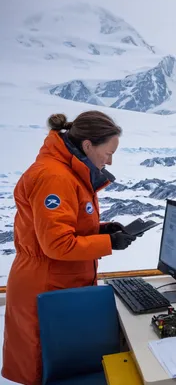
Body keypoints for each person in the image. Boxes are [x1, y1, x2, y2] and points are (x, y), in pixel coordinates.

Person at [2, 110, 137, 385]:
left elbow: (63, 227)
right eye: (109, 152)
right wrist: (108, 243)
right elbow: (56, 244)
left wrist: (102, 229)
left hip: (60, 287)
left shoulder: (68, 171)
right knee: (46, 372)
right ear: (88, 145)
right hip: (46, 287)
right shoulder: (55, 176)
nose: (110, 160)